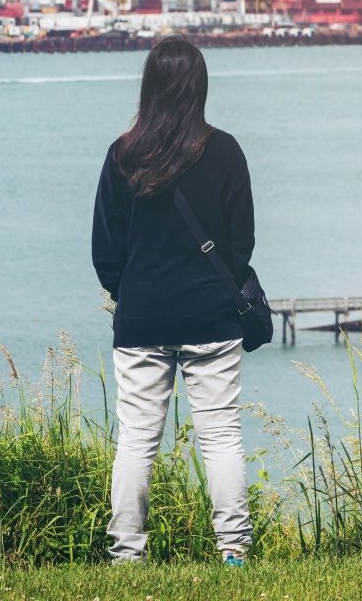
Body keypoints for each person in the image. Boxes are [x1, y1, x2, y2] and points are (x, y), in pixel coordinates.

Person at [92, 36, 255, 565]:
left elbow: (105, 250)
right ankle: (233, 550)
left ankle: (127, 555)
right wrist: (215, 285)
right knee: (221, 435)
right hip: (211, 314)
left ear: (149, 87)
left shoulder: (122, 153)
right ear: (200, 87)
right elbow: (242, 240)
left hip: (141, 318)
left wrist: (132, 292)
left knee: (136, 438)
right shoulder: (225, 150)